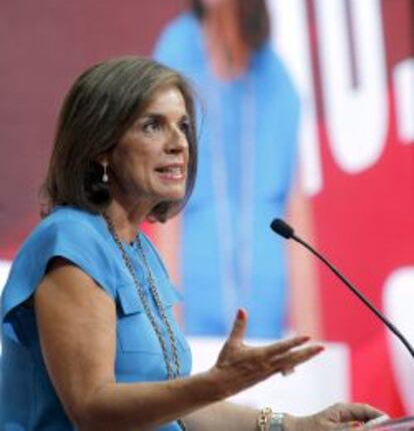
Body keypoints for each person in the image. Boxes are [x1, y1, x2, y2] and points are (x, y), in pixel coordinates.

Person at [1, 56, 383, 430]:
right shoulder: (71, 240)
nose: (179, 143)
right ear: (101, 146)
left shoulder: (139, 252)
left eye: (183, 126)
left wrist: (294, 426)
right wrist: (215, 382)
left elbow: (176, 410)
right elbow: (92, 409)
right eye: (153, 126)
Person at [154, 0, 320, 338]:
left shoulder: (282, 87)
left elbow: (304, 272)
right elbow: (164, 252)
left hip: (271, 386)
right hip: (199, 383)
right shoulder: (171, 62)